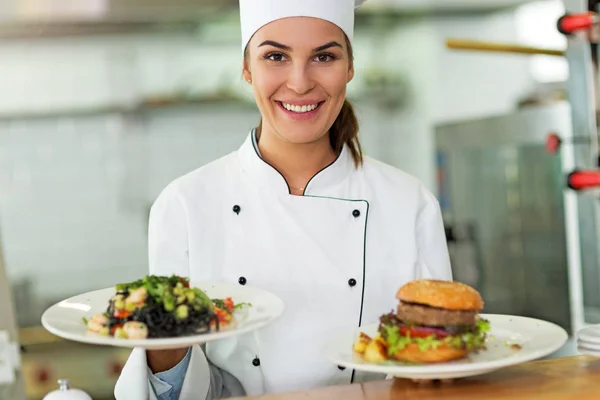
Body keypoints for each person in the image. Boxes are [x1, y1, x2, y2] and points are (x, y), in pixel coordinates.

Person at [114, 0, 453, 399]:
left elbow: (440, 368)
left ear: (350, 68)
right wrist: (164, 348)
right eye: (275, 56)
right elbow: (179, 389)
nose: (299, 82)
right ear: (246, 69)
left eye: (324, 56)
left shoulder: (408, 203)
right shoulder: (185, 205)